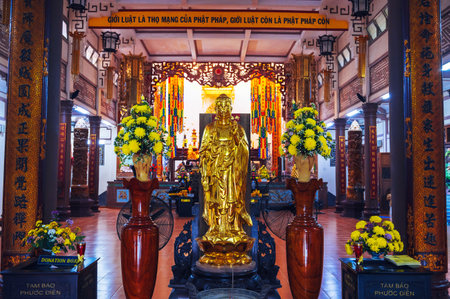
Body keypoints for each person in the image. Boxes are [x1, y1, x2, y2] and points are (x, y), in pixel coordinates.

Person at [199, 94, 252, 244]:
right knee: (216, 200)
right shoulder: (209, 129)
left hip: (232, 173)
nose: (223, 110)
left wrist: (236, 139)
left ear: (231, 108)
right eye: (220, 106)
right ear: (215, 108)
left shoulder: (238, 128)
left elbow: (245, 151)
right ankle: (215, 228)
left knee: (233, 199)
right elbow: (203, 152)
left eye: (226, 106)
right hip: (215, 171)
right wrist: (206, 170)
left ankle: (234, 228)